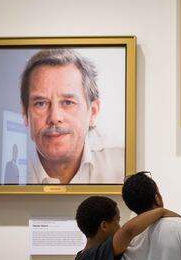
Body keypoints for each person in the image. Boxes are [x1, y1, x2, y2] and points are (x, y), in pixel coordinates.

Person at [20, 48, 123, 184]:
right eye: (41, 103)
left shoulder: (122, 162)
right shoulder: (9, 170)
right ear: (25, 113)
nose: (55, 117)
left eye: (68, 102)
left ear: (92, 112)